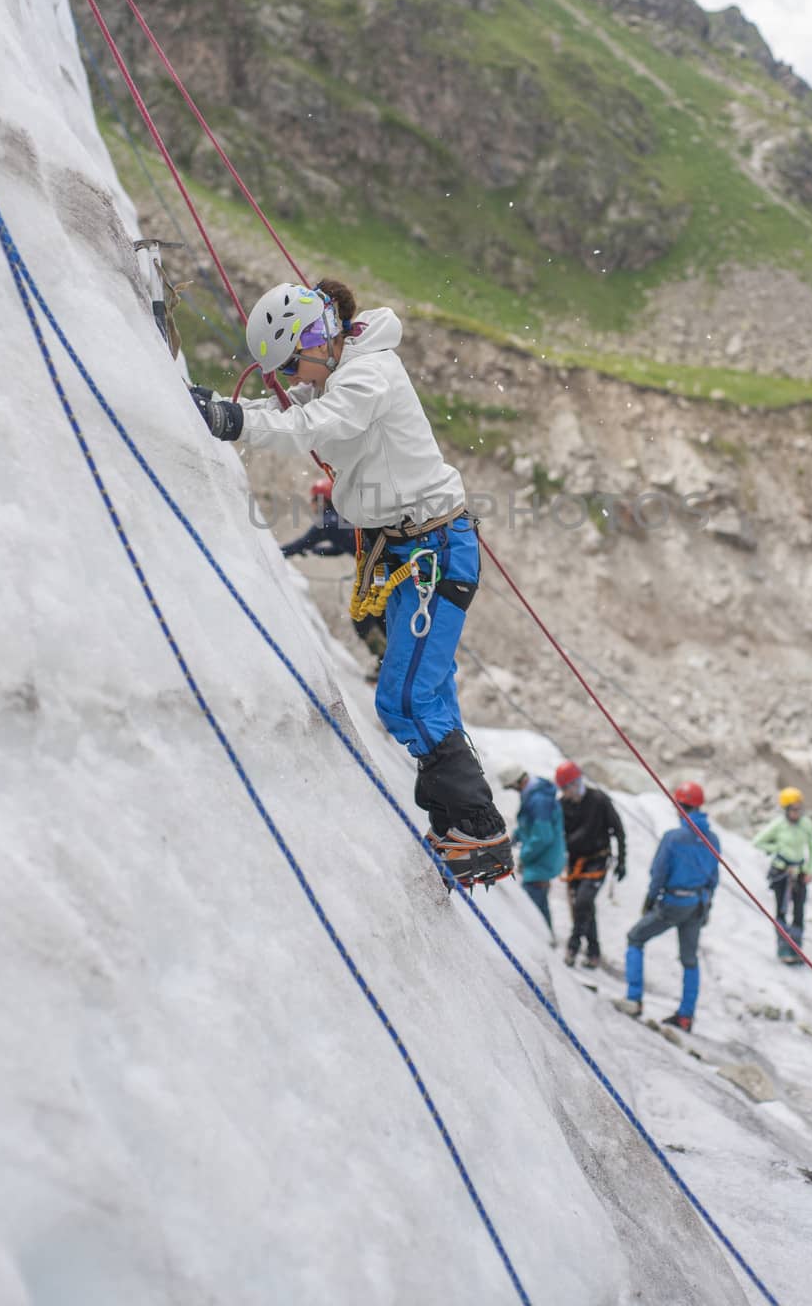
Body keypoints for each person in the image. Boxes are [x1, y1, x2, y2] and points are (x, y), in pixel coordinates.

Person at [188, 278, 512, 887]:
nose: (294, 378)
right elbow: (302, 413)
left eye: (293, 363)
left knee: (405, 696)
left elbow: (316, 425)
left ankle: (478, 829)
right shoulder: (343, 371)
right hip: (418, 548)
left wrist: (232, 422)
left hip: (431, 548)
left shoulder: (369, 375)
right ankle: (460, 829)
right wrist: (225, 410)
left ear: (314, 339)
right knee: (427, 690)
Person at [613, 782, 719, 1031]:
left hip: (673, 903)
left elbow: (658, 872)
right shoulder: (712, 838)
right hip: (698, 905)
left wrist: (651, 899)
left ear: (681, 806)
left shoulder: (674, 838)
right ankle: (685, 1015)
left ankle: (634, 998)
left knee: (635, 938)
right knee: (689, 959)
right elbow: (713, 878)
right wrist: (707, 905)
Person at [281, 478, 387, 676]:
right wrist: (315, 551)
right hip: (380, 568)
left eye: (313, 500)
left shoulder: (327, 521)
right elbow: (341, 548)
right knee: (379, 615)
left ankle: (386, 661)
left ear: (321, 500)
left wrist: (276, 551)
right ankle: (391, 660)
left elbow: (301, 544)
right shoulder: (340, 519)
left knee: (362, 618)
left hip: (371, 571)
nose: (311, 505)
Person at [556, 759, 626, 970]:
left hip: (598, 860)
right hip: (576, 861)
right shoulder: (563, 805)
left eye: (573, 786)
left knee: (583, 902)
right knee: (585, 906)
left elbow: (618, 830)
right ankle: (594, 952)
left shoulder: (599, 800)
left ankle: (573, 946)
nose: (571, 792)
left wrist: (622, 860)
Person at [501, 765, 566, 940]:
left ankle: (538, 942)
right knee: (539, 900)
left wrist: (524, 855)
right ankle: (548, 938)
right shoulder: (535, 795)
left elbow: (543, 836)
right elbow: (529, 826)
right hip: (544, 857)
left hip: (543, 858)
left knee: (530, 902)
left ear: (518, 783)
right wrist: (513, 840)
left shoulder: (538, 800)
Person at [753, 786, 812, 964]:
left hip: (799, 873)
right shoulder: (778, 826)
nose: (797, 813)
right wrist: (777, 848)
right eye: (793, 809)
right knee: (781, 911)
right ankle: (783, 947)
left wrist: (810, 869)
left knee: (799, 911)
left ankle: (796, 948)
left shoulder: (806, 825)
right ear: (786, 809)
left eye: (799, 808)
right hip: (781, 872)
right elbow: (758, 842)